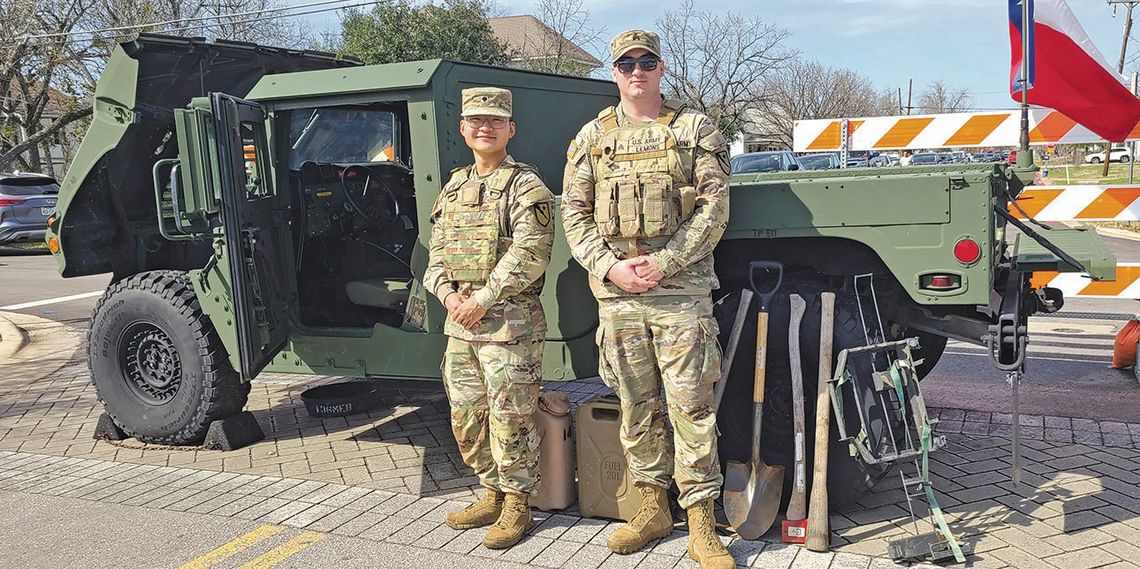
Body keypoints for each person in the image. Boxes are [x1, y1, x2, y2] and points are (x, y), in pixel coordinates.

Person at [561, 29, 733, 569]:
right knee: (636, 408)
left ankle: (703, 524)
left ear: (661, 68)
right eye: (626, 63)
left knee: (692, 409)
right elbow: (574, 213)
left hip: (680, 296)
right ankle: (652, 508)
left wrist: (664, 262)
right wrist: (611, 266)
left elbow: (714, 208)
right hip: (619, 298)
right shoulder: (590, 136)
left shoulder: (694, 129)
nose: (637, 70)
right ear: (614, 73)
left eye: (647, 61)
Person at [423, 87, 555, 550]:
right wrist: (447, 295)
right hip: (460, 327)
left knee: (510, 417)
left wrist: (483, 296)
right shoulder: (454, 186)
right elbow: (435, 253)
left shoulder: (526, 187)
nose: (485, 127)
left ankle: (518, 503)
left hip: (509, 327)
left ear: (510, 129)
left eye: (495, 121)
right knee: (467, 416)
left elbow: (532, 252)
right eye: (476, 120)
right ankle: (491, 491)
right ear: (462, 129)